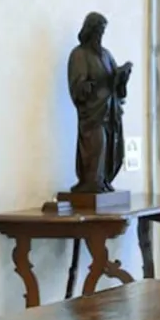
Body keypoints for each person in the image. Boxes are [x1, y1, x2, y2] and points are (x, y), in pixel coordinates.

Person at [67, 11, 133, 193]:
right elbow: (77, 86)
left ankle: (103, 181)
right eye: (97, 31)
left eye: (102, 32)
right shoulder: (79, 54)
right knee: (97, 145)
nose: (100, 36)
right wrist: (89, 87)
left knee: (113, 149)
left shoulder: (106, 55)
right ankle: (91, 182)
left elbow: (115, 83)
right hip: (93, 114)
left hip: (110, 111)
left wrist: (122, 77)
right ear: (89, 30)